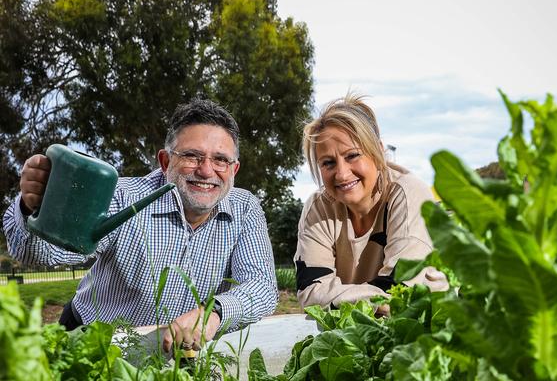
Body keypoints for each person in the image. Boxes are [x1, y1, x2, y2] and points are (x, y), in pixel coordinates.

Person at [3, 98, 278, 351]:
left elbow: (262, 286)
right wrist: (33, 207)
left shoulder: (245, 209)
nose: (206, 171)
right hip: (94, 342)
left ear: (234, 170)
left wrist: (212, 313)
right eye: (192, 156)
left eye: (220, 160)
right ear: (165, 161)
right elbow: (42, 255)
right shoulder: (122, 197)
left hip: (176, 354)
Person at [294, 94, 448, 312]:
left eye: (352, 156)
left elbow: (400, 292)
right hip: (353, 334)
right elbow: (310, 292)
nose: (342, 173)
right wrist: (376, 299)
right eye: (328, 163)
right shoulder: (318, 208)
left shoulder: (409, 193)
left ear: (378, 153)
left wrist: (336, 298)